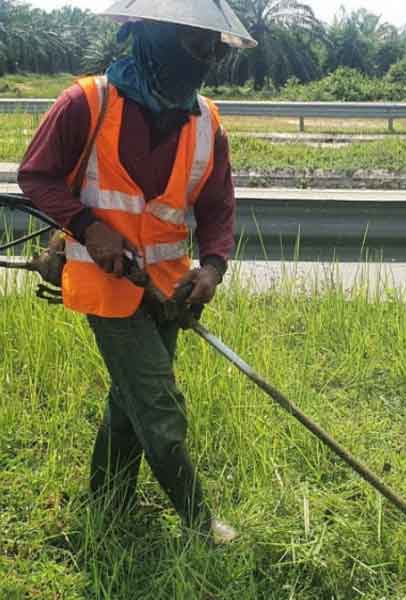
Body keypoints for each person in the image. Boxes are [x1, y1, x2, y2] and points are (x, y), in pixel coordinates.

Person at [16, 0, 257, 544]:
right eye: (195, 44)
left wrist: (213, 267)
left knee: (128, 404)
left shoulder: (207, 122)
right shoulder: (86, 102)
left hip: (168, 291)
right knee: (159, 409)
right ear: (153, 36)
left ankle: (109, 505)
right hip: (105, 286)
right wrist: (88, 226)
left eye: (213, 49)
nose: (205, 60)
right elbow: (37, 176)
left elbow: (217, 207)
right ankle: (200, 526)